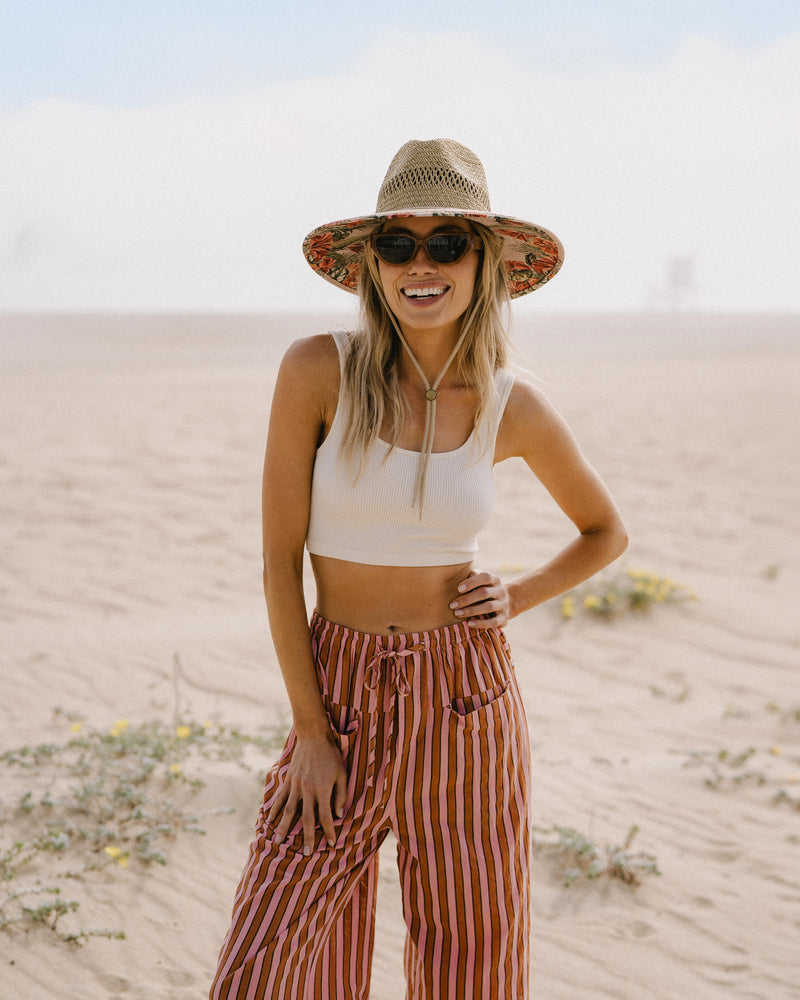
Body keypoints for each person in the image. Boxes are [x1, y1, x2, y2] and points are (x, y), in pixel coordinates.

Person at [210, 138, 627, 1000]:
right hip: (339, 686)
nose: (420, 265)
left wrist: (516, 595)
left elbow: (603, 532)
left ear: (487, 263)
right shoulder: (317, 370)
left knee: (469, 964)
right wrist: (314, 736)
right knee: (272, 963)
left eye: (447, 243)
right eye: (397, 245)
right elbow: (278, 566)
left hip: (468, 696)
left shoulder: (515, 402)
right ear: (372, 265)